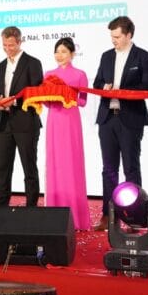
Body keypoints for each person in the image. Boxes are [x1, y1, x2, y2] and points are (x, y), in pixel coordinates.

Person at [92, 16, 148, 231]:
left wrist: (122, 92)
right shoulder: (106, 56)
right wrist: (105, 87)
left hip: (130, 118)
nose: (114, 40)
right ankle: (108, 215)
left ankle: (135, 216)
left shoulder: (143, 56)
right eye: (112, 36)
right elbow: (97, 83)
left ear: (129, 35)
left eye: (118, 37)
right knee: (108, 169)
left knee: (131, 167)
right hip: (107, 118)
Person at [0, 26, 44, 207]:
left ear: (20, 42)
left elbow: (36, 92)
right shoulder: (0, 66)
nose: (7, 49)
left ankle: (31, 209)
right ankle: (1, 208)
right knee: (3, 169)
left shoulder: (33, 63)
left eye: (11, 45)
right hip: (4, 123)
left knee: (29, 168)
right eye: (4, 45)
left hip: (26, 122)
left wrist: (13, 102)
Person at [43, 38, 90, 230]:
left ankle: (76, 217)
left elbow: (83, 101)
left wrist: (68, 97)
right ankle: (54, 215)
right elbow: (46, 102)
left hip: (70, 121)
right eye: (57, 51)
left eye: (63, 51)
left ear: (72, 53)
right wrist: (49, 97)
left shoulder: (80, 75)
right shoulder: (48, 74)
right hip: (54, 120)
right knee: (55, 163)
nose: (59, 55)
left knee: (71, 163)